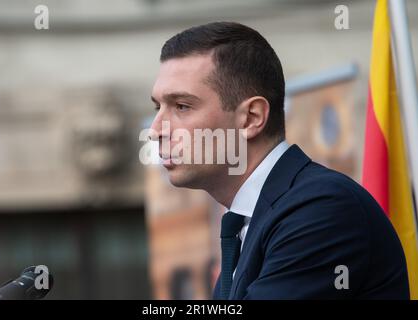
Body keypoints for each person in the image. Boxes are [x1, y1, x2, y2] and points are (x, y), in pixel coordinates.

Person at [148, 21, 410, 299]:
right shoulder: (251, 222)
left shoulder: (322, 209)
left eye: (182, 106)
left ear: (251, 118)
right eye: (158, 106)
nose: (155, 130)